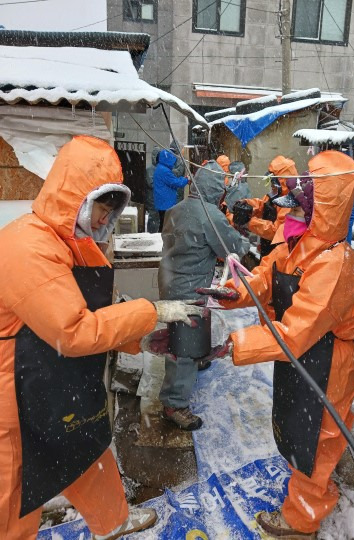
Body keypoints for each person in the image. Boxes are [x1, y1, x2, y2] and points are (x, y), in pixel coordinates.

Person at [0, 135, 203, 540]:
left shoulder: (78, 245)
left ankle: (114, 522)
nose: (100, 220)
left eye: (110, 211)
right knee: (16, 490)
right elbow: (73, 330)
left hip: (59, 374)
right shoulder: (27, 247)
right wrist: (152, 312)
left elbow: (99, 316)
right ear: (73, 195)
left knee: (86, 451)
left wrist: (140, 340)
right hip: (17, 389)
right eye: (98, 207)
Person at [216, 150, 354, 538]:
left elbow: (294, 332)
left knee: (317, 440)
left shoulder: (334, 264)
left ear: (322, 211)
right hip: (302, 357)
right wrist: (233, 293)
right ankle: (309, 488)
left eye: (300, 210)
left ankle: (302, 518)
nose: (292, 218)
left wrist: (230, 343)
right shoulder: (300, 246)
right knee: (296, 425)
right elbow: (265, 276)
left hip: (327, 362)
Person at [156, 160, 251, 430]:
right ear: (214, 189)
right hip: (189, 287)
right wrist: (242, 230)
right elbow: (230, 247)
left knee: (180, 336)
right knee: (182, 346)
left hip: (169, 279)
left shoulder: (176, 209)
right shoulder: (210, 214)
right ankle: (174, 403)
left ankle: (192, 363)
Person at [237, 156, 295, 258]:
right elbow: (261, 205)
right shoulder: (275, 194)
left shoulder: (290, 203)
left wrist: (249, 222)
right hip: (266, 246)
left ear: (282, 183)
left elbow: (275, 230)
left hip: (279, 251)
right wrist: (246, 204)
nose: (271, 186)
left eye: (272, 182)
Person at [153, 148, 188, 232]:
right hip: (166, 202)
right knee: (166, 225)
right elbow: (175, 182)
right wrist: (186, 180)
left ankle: (161, 237)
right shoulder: (164, 171)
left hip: (162, 201)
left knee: (163, 223)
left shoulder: (160, 168)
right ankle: (162, 240)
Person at [145, 145, 160, 233]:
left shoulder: (161, 169)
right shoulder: (149, 170)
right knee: (153, 216)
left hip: (158, 198)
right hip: (152, 198)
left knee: (158, 217)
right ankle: (151, 233)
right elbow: (151, 183)